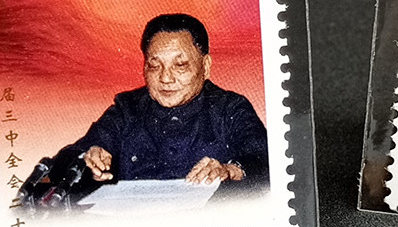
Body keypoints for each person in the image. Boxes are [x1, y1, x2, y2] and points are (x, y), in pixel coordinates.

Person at [53, 13, 268, 192]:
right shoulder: (128, 108)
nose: (165, 78)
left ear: (205, 66)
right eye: (154, 66)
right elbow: (62, 162)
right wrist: (87, 160)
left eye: (180, 65)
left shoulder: (231, 108)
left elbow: (267, 161)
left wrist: (230, 170)